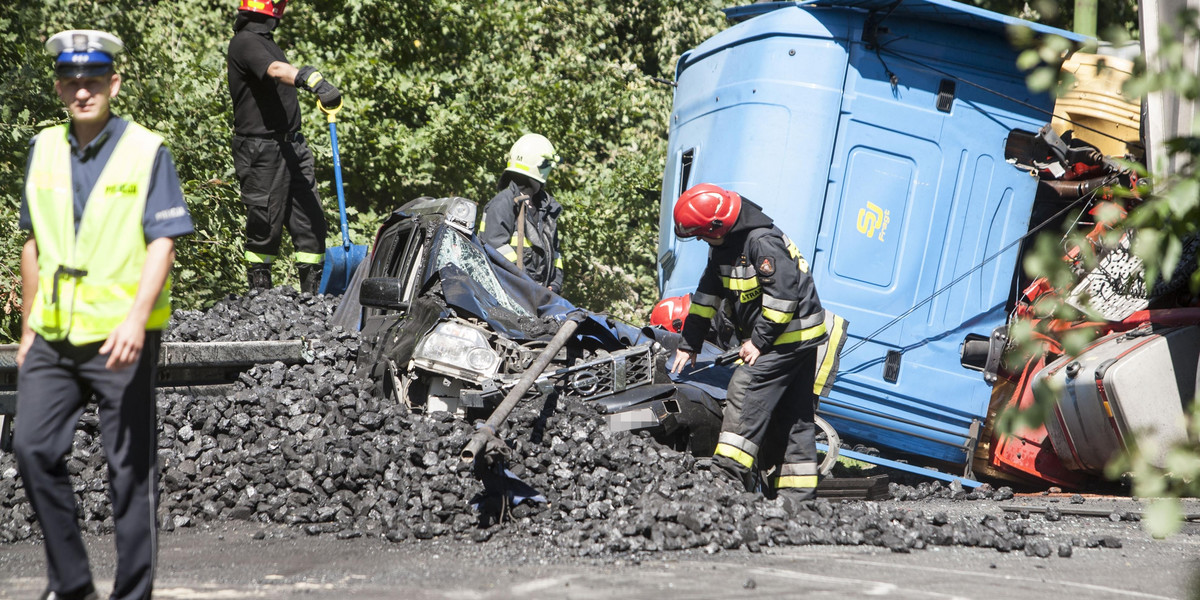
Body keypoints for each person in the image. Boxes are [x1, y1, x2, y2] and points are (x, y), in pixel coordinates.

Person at [14, 29, 194, 600]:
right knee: (33, 450)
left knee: (129, 472)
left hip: (122, 336)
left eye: (93, 80)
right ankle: (72, 585)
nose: (82, 91)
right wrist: (26, 329)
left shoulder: (146, 150)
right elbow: (32, 243)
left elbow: (163, 242)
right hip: (53, 333)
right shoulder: (44, 147)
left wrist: (136, 319)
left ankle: (132, 593)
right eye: (72, 81)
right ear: (60, 88)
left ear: (113, 84)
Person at [668, 183, 827, 508]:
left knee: (745, 390)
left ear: (717, 225)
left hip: (787, 337)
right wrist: (689, 343)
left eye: (701, 234)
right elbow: (705, 298)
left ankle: (728, 479)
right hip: (794, 337)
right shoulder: (725, 246)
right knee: (793, 416)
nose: (700, 240)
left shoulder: (761, 242)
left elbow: (783, 299)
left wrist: (758, 342)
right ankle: (797, 499)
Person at [227, 0, 341, 293]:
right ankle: (261, 299)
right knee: (264, 226)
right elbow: (276, 70)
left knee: (312, 223)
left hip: (292, 147)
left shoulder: (266, 41)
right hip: (261, 150)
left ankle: (312, 301)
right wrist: (311, 79)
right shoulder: (245, 42)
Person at [480, 133, 564, 293]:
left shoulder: (546, 208)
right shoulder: (502, 204)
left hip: (539, 297)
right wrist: (528, 284)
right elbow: (495, 250)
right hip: (510, 295)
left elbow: (556, 255)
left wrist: (555, 284)